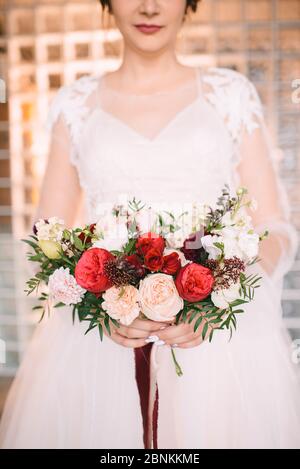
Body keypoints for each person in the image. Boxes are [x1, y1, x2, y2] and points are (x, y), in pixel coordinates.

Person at [0, 0, 300, 449]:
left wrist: (220, 298)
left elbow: (275, 230)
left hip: (216, 346)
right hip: (101, 346)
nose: (149, 6)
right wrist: (100, 309)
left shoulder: (230, 95)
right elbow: (47, 236)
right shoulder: (75, 104)